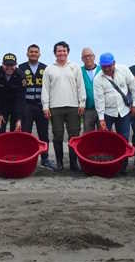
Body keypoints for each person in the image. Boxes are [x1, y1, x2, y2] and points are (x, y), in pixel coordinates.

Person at [41, 41, 86, 172]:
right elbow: (45, 89)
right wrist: (45, 106)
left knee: (74, 136)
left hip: (73, 106)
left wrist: (82, 103)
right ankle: (60, 163)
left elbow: (80, 86)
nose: (61, 53)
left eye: (64, 51)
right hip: (55, 107)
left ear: (68, 52)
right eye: (59, 51)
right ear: (55, 53)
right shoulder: (49, 69)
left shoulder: (75, 67)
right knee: (58, 136)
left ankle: (73, 163)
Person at [93, 53, 135, 173]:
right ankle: (106, 162)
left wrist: (134, 104)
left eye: (109, 66)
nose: (107, 69)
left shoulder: (124, 70)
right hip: (108, 112)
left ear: (114, 63)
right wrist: (101, 119)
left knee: (123, 138)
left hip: (124, 111)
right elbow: (99, 100)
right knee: (105, 139)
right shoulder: (98, 79)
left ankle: (122, 166)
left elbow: (134, 87)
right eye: (104, 67)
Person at [19, 44, 55, 170]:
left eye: (36, 52)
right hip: (26, 106)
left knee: (43, 134)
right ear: (27, 53)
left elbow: (50, 88)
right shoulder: (21, 68)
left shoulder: (45, 68)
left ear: (39, 54)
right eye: (31, 52)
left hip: (41, 106)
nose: (33, 54)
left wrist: (48, 105)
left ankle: (45, 159)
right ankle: (25, 157)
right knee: (26, 134)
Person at [0, 53, 25, 135]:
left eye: (12, 65)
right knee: (0, 130)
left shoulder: (21, 75)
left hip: (15, 106)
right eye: (6, 65)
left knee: (15, 133)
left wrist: (19, 119)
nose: (9, 68)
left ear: (16, 65)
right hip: (1, 106)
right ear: (2, 64)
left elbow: (21, 98)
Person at [80, 47, 101, 132]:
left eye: (89, 56)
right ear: (82, 59)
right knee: (88, 134)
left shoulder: (102, 70)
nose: (88, 58)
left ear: (94, 56)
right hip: (87, 109)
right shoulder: (79, 71)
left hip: (102, 109)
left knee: (103, 133)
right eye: (85, 56)